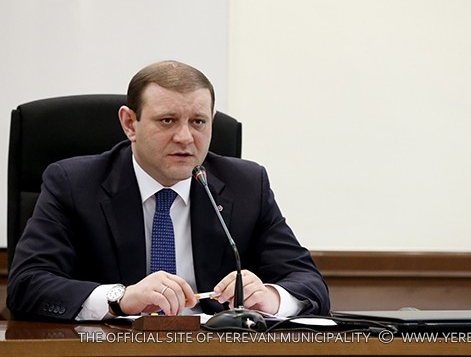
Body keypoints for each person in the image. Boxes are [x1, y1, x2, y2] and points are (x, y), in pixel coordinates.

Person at [7, 60, 330, 321]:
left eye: (198, 122)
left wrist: (271, 297)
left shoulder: (246, 185)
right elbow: (27, 285)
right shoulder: (74, 183)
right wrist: (120, 298)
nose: (185, 137)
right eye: (167, 121)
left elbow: (308, 283)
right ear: (130, 124)